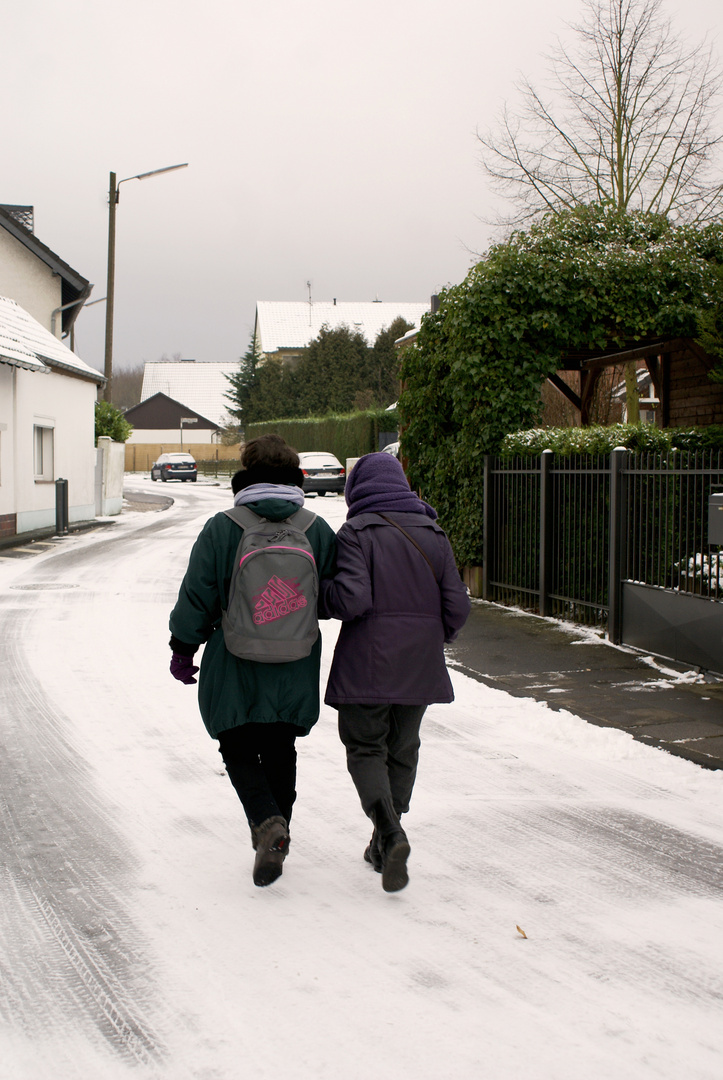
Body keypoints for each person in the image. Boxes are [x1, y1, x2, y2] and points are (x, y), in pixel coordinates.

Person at [168, 435, 336, 887]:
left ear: (245, 472)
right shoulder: (316, 527)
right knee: (281, 744)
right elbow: (329, 598)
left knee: (236, 740)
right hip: (296, 656)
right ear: (295, 475)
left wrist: (183, 647)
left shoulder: (223, 526)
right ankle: (277, 824)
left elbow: (198, 596)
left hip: (236, 655)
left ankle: (267, 823)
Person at [320, 452, 470, 893]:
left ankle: (388, 832)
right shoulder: (434, 533)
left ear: (358, 489)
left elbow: (351, 600)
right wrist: (433, 635)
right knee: (402, 749)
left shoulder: (356, 532)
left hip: (368, 661)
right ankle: (385, 839)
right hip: (419, 663)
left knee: (366, 747)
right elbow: (457, 606)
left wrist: (321, 594)